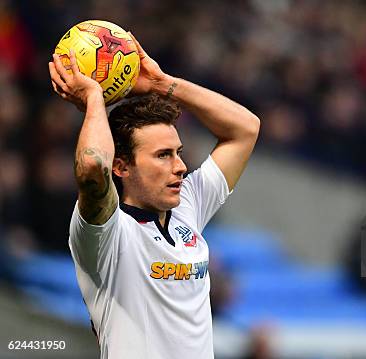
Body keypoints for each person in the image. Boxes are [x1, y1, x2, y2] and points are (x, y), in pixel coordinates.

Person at [48, 33, 259, 359]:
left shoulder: (187, 207)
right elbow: (91, 163)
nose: (180, 166)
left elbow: (245, 128)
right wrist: (94, 99)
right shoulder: (105, 235)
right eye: (163, 155)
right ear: (121, 166)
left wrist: (165, 85)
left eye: (178, 152)